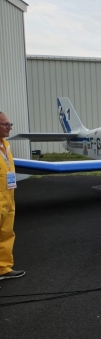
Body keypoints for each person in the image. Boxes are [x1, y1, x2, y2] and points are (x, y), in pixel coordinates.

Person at [0, 112, 25, 280]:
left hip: (8, 198)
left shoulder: (6, 145)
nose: (10, 127)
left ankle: (4, 267)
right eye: (6, 124)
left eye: (10, 124)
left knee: (7, 233)